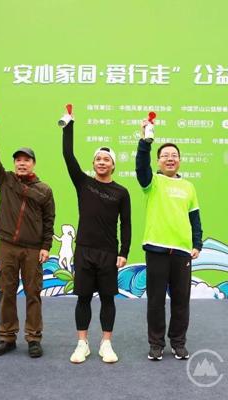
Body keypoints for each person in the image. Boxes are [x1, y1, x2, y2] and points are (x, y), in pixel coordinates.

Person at [61, 116, 131, 363]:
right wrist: (68, 126)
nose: (102, 162)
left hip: (108, 253)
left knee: (108, 298)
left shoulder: (121, 192)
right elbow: (68, 156)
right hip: (84, 250)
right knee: (83, 298)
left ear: (113, 165)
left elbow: (126, 224)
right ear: (93, 163)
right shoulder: (83, 183)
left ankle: (106, 344)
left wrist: (124, 252)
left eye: (106, 159)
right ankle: (82, 343)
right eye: (98, 159)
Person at [0, 117, 55, 358]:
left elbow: (49, 220)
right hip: (7, 245)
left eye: (26, 160)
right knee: (6, 291)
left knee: (33, 293)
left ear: (33, 164)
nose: (21, 163)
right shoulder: (6, 180)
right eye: (18, 160)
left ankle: (34, 338)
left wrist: (46, 246)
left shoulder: (44, 189)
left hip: (33, 249)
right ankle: (7, 337)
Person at [135, 120, 202, 361]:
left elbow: (195, 217)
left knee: (181, 301)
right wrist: (145, 142)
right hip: (157, 249)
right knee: (155, 301)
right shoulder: (152, 182)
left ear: (180, 161)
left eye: (174, 156)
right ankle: (156, 344)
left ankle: (178, 342)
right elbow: (141, 166)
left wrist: (197, 244)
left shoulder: (188, 187)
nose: (170, 159)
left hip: (182, 251)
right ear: (158, 161)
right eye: (165, 156)